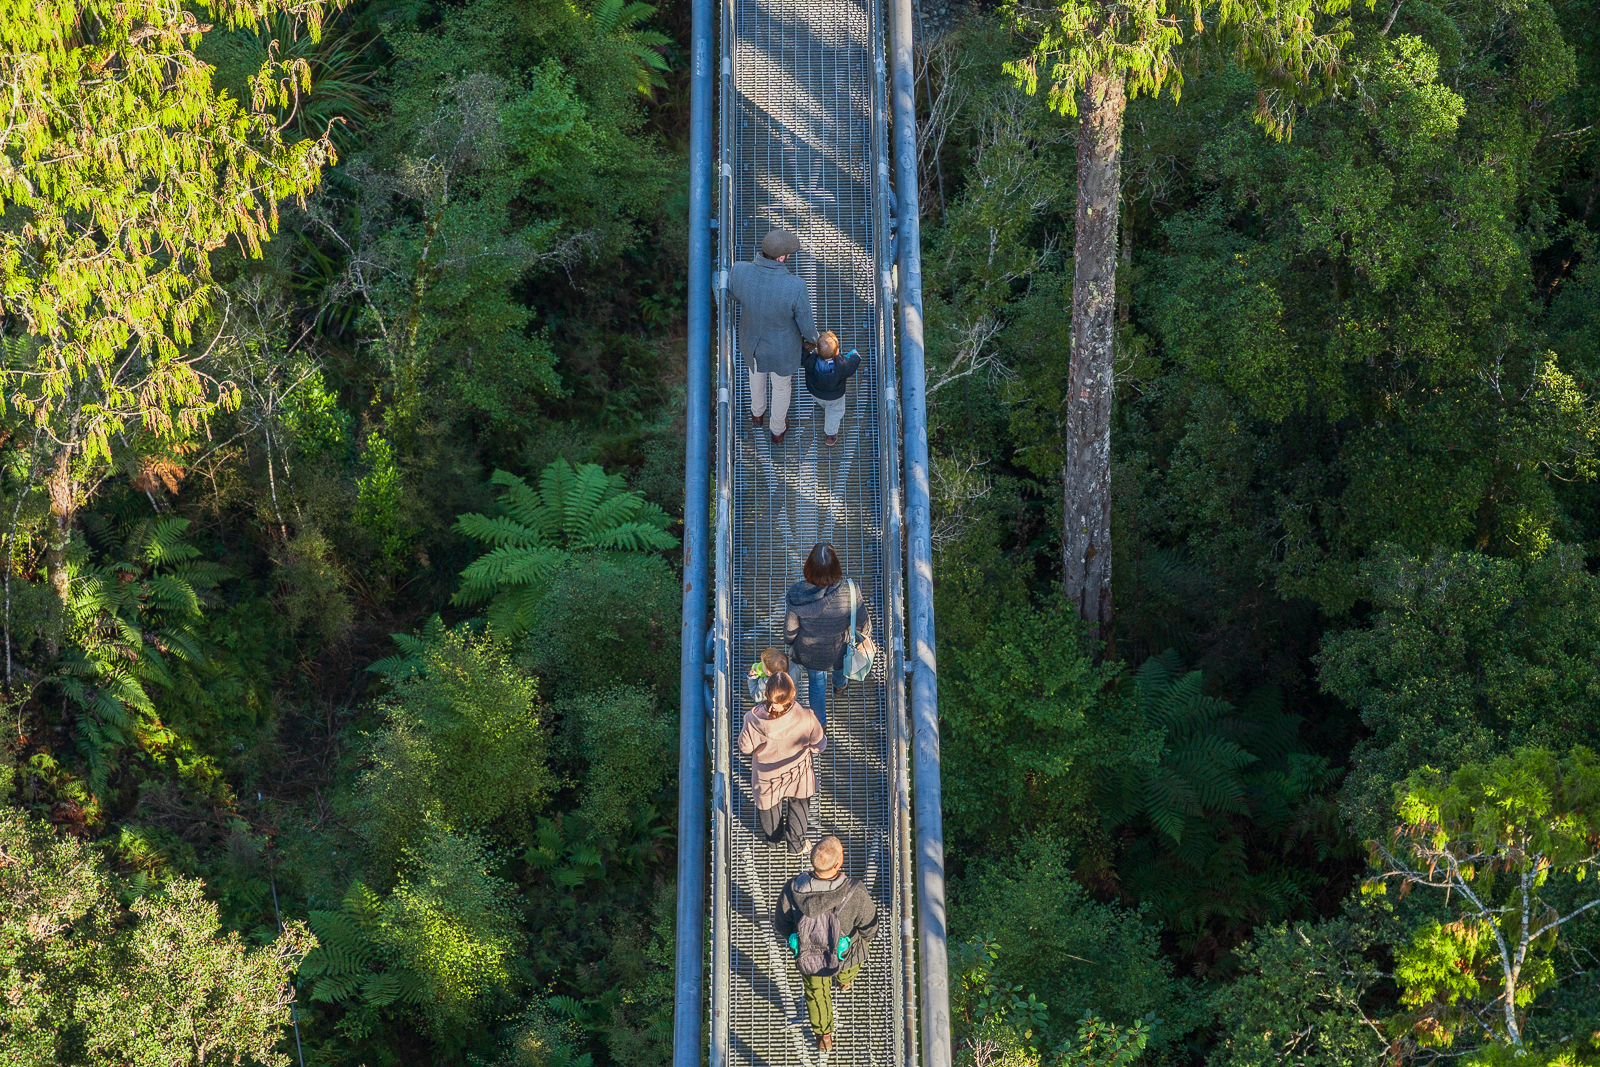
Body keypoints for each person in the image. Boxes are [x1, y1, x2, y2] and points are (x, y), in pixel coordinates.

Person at [774, 835, 878, 1053]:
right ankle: (845, 981)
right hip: (846, 952)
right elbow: (869, 928)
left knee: (816, 994)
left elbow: (782, 926)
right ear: (838, 864)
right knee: (851, 962)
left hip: (810, 955)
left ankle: (824, 1035)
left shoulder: (791, 889)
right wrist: (862, 939)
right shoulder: (854, 891)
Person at [728, 228, 819, 444]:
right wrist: (814, 339)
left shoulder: (739, 271)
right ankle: (777, 430)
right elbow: (805, 323)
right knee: (780, 387)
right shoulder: (795, 286)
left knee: (755, 375)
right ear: (780, 258)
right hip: (783, 351)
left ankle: (757, 413)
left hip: (752, 343)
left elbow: (732, 293)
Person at [737, 671, 825, 855]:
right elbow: (819, 745)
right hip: (798, 774)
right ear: (793, 693)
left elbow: (745, 748)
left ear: (767, 694)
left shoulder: (752, 720)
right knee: (799, 808)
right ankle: (795, 846)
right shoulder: (807, 717)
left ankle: (774, 841)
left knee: (769, 810)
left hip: (767, 778)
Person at [785, 543, 871, 731]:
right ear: (836, 568)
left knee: (816, 687)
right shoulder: (850, 589)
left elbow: (790, 630)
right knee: (840, 670)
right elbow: (865, 626)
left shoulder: (796, 593)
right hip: (840, 649)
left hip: (810, 653)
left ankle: (820, 726)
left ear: (808, 567)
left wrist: (791, 644)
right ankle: (840, 687)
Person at [801, 330, 862, 447]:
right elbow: (852, 365)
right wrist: (856, 356)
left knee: (823, 402)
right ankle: (830, 435)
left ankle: (824, 406)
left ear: (817, 350)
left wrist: (806, 347)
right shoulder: (842, 365)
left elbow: (802, 356)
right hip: (835, 397)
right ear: (837, 351)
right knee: (834, 414)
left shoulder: (811, 361)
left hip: (815, 392)